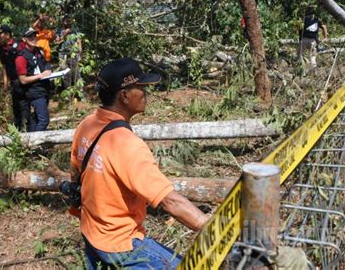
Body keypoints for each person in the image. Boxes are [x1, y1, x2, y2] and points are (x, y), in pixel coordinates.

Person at [70, 57, 208, 269]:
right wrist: (212, 227)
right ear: (124, 95)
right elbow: (169, 201)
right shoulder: (127, 144)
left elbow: (76, 172)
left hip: (92, 232)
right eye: (141, 87)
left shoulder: (86, 125)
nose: (146, 93)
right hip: (121, 243)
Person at [15, 28, 52, 132]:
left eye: (34, 36)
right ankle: (37, 144)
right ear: (24, 39)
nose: (33, 39)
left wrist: (48, 70)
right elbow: (23, 80)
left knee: (36, 119)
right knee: (44, 120)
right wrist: (40, 76)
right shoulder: (21, 58)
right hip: (34, 92)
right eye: (30, 37)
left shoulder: (39, 51)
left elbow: (45, 65)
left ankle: (31, 141)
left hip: (44, 89)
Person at [0, 24, 30, 131]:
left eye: (0, 34)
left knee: (24, 105)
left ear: (7, 35)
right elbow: (4, 66)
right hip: (13, 81)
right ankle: (17, 127)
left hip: (23, 80)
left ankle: (26, 128)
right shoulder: (1, 48)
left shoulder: (19, 44)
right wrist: (5, 83)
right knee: (16, 106)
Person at [56, 14, 82, 88]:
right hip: (62, 54)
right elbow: (57, 42)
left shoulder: (75, 30)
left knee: (76, 73)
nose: (67, 22)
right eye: (66, 21)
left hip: (73, 54)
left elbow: (79, 42)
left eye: (69, 21)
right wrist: (65, 34)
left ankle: (80, 91)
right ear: (63, 21)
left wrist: (80, 54)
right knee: (65, 73)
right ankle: (67, 93)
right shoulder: (59, 31)